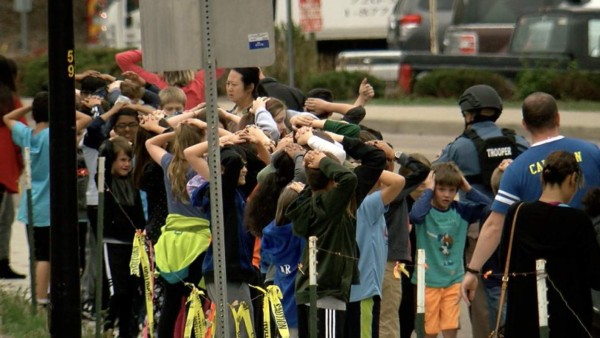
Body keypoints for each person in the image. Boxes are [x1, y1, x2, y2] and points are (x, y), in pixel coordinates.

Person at [461, 92, 600, 305]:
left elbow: (494, 226)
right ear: (558, 118)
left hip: (545, 278)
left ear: (525, 124)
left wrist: (473, 270)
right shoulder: (592, 152)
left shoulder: (516, 169)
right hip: (592, 267)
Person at [436, 84, 528, 338]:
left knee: (481, 290)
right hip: (515, 226)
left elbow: (436, 174)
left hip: (479, 232)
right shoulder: (517, 141)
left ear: (467, 114)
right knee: (513, 283)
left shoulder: (460, 146)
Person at [499, 150, 600, 337]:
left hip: (523, 318)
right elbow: (595, 275)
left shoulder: (517, 213)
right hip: (569, 321)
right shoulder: (578, 221)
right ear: (573, 178)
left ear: (542, 177)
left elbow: (503, 260)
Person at [409, 162, 491, 338]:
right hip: (427, 281)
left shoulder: (462, 211)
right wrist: (429, 190)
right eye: (441, 189)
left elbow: (490, 208)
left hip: (453, 281)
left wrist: (468, 189)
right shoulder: (425, 211)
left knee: (450, 329)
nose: (447, 195)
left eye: (452, 190)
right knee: (428, 331)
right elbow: (415, 216)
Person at [286, 149, 358, 337]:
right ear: (332, 178)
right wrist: (323, 161)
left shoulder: (308, 204)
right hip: (326, 290)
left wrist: (314, 171)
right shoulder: (330, 205)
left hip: (308, 290)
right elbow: (349, 179)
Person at [98, 137, 146, 338]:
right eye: (122, 160)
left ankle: (128, 331)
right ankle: (110, 322)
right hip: (113, 243)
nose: (126, 164)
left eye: (129, 160)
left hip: (134, 244)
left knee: (133, 289)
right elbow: (103, 156)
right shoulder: (105, 182)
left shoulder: (135, 181)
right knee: (119, 290)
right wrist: (109, 143)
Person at [115, 49, 225, 110]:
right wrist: (192, 47)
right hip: (196, 135)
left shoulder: (154, 82)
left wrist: (159, 50)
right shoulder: (201, 81)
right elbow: (222, 58)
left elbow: (122, 58)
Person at [0, 54, 25, 279]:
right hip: (4, 164)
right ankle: (2, 260)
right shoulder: (10, 101)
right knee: (5, 218)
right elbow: (21, 133)